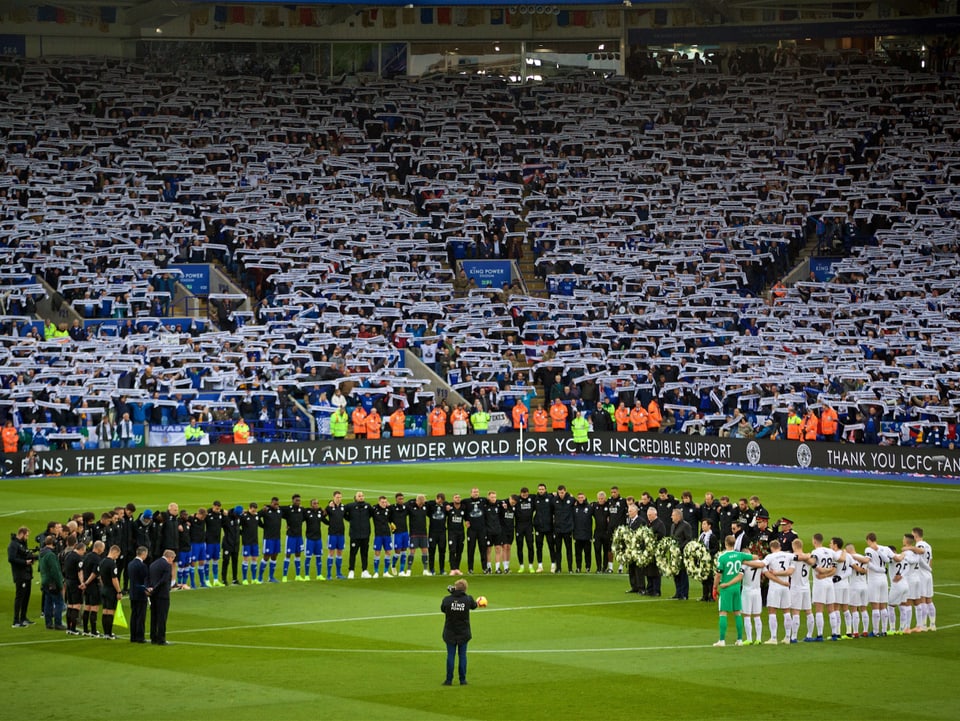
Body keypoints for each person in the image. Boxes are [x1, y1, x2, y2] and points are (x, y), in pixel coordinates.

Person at [712, 535, 753, 647]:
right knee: (737, 612)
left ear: (725, 543)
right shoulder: (740, 555)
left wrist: (715, 587)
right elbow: (754, 557)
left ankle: (722, 640)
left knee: (723, 612)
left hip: (726, 587)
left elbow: (718, 574)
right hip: (736, 587)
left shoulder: (722, 557)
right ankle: (740, 639)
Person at [440, 578, 478, 686]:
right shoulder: (468, 599)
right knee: (462, 656)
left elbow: (443, 609)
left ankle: (448, 680)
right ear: (465, 589)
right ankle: (462, 680)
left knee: (450, 655)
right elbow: (474, 606)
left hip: (450, 631)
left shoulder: (447, 599)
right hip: (463, 632)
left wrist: (453, 594)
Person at [760, 540, 794, 645]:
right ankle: (788, 637)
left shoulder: (770, 557)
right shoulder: (788, 555)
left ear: (771, 548)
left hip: (775, 587)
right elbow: (791, 570)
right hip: (786, 586)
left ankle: (774, 638)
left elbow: (762, 567)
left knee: (772, 611)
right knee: (787, 611)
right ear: (780, 546)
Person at [9, 526, 36, 628]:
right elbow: (11, 559)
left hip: (27, 574)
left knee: (26, 597)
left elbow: (24, 554)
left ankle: (23, 618)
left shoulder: (21, 544)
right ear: (22, 534)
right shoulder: (13, 545)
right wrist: (25, 562)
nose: (27, 537)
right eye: (27, 535)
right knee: (20, 597)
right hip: (20, 575)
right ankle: (16, 620)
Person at [147, 549, 176, 645]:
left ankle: (153, 637)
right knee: (162, 618)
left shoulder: (153, 564)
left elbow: (149, 578)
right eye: (173, 559)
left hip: (153, 595)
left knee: (154, 616)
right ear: (170, 557)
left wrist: (151, 589)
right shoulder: (167, 565)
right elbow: (164, 580)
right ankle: (161, 639)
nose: (172, 561)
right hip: (162, 595)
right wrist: (155, 588)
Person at [38, 535, 65, 630]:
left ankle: (48, 623)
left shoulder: (42, 553)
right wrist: (60, 584)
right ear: (53, 543)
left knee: (48, 602)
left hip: (45, 581)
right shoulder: (51, 555)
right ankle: (58, 623)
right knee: (59, 602)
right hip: (52, 582)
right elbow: (55, 571)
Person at [344, 491, 373, 579]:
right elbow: (342, 512)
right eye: (359, 496)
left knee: (364, 553)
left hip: (365, 534)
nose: (361, 497)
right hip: (355, 535)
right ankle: (351, 571)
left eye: (362, 496)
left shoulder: (367, 506)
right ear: (355, 497)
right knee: (353, 553)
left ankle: (364, 570)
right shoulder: (350, 506)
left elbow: (372, 514)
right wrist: (350, 519)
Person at [668, 507, 693, 600]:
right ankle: (678, 592)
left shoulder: (686, 526)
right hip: (674, 554)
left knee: (682, 574)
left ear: (678, 516)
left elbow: (688, 539)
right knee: (676, 573)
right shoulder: (673, 525)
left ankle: (684, 594)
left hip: (682, 554)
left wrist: (680, 548)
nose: (671, 517)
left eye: (673, 515)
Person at [98, 544, 122, 639]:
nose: (117, 557)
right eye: (117, 555)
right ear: (114, 551)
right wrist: (119, 591)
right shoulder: (112, 564)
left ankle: (105, 633)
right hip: (111, 590)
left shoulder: (102, 562)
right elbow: (114, 579)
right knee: (110, 611)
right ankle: (109, 633)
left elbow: (100, 577)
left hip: (104, 589)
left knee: (105, 611)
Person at [281, 493, 307, 582]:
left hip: (299, 536)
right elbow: (277, 508)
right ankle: (284, 576)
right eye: (296, 500)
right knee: (288, 555)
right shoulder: (288, 509)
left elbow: (308, 514)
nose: (298, 502)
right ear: (293, 501)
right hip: (291, 536)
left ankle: (298, 575)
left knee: (298, 555)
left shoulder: (302, 510)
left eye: (299, 500)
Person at [127, 546, 149, 643]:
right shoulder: (142, 566)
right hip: (140, 593)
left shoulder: (130, 564)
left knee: (134, 615)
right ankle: (140, 637)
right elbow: (145, 580)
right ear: (143, 554)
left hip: (132, 593)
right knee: (141, 616)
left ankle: (133, 636)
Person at [323, 491, 346, 580]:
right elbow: (322, 516)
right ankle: (328, 574)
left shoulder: (343, 507)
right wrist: (329, 523)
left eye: (340, 497)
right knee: (331, 553)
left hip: (341, 533)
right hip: (332, 534)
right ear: (333, 497)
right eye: (337, 497)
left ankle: (338, 573)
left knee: (340, 552)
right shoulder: (329, 507)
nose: (339, 499)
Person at [696, 519, 720, 601]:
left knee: (710, 578)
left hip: (709, 560)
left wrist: (707, 552)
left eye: (705, 524)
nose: (703, 526)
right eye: (702, 524)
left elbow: (716, 548)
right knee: (704, 578)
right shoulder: (702, 535)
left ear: (709, 526)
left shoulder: (712, 536)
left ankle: (711, 596)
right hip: (702, 560)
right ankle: (704, 595)